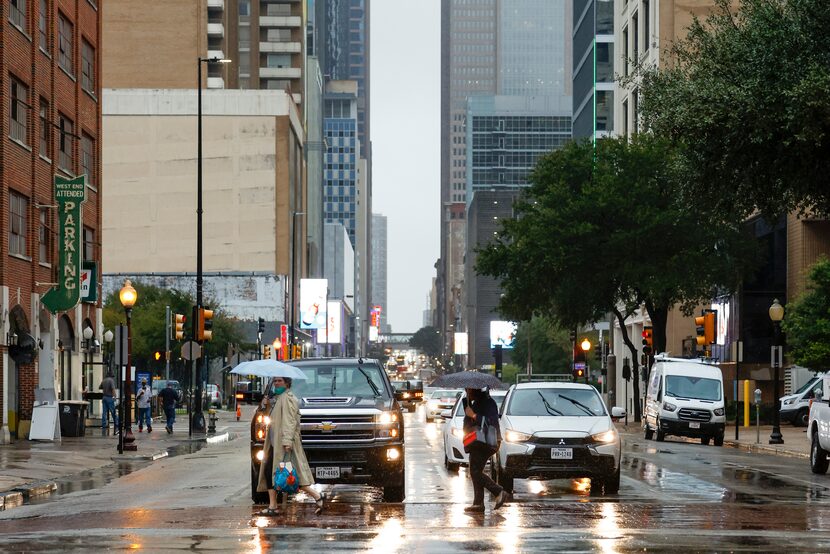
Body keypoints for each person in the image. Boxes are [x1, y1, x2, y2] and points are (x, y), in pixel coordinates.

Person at [256, 376, 325, 517]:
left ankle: (317, 496)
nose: (276, 383)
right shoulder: (278, 398)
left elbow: (290, 421)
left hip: (283, 444)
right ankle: (273, 505)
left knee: (292, 475)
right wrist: (265, 404)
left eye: (279, 381)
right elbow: (270, 417)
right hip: (274, 444)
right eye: (274, 381)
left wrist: (287, 441)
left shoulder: (287, 398)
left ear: (287, 383)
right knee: (272, 472)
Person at [463, 387, 507, 513]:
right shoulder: (475, 403)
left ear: (475, 390)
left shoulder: (488, 403)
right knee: (475, 471)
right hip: (477, 441)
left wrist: (474, 415)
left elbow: (492, 421)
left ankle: (498, 491)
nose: (468, 392)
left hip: (487, 441)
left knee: (476, 472)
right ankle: (478, 503)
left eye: (469, 390)